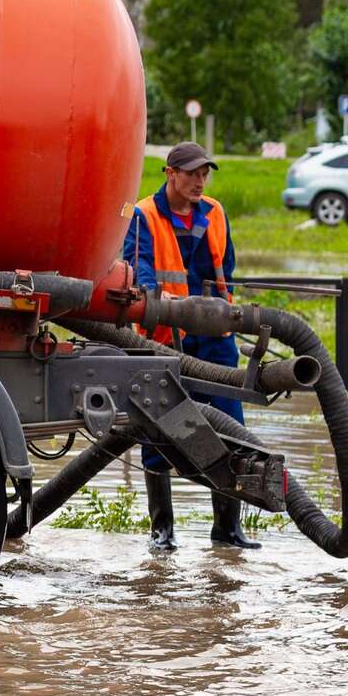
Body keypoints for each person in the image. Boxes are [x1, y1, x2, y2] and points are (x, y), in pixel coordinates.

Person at [124, 141, 259, 551]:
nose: (200, 180)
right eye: (192, 173)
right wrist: (160, 303)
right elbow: (140, 265)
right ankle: (162, 531)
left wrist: (223, 313)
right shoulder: (144, 215)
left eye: (205, 173)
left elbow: (227, 267)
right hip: (166, 340)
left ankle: (227, 529)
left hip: (216, 340)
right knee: (159, 429)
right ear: (170, 174)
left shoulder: (215, 212)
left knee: (231, 429)